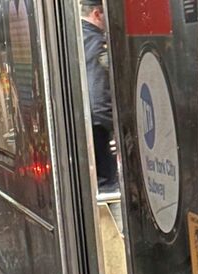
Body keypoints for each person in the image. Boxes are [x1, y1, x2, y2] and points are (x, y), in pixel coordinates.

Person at [81, 0, 118, 192]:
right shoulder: (97, 43)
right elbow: (99, 98)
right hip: (100, 133)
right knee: (108, 188)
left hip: (85, 130)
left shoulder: (78, 38)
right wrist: (117, 129)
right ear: (97, 14)